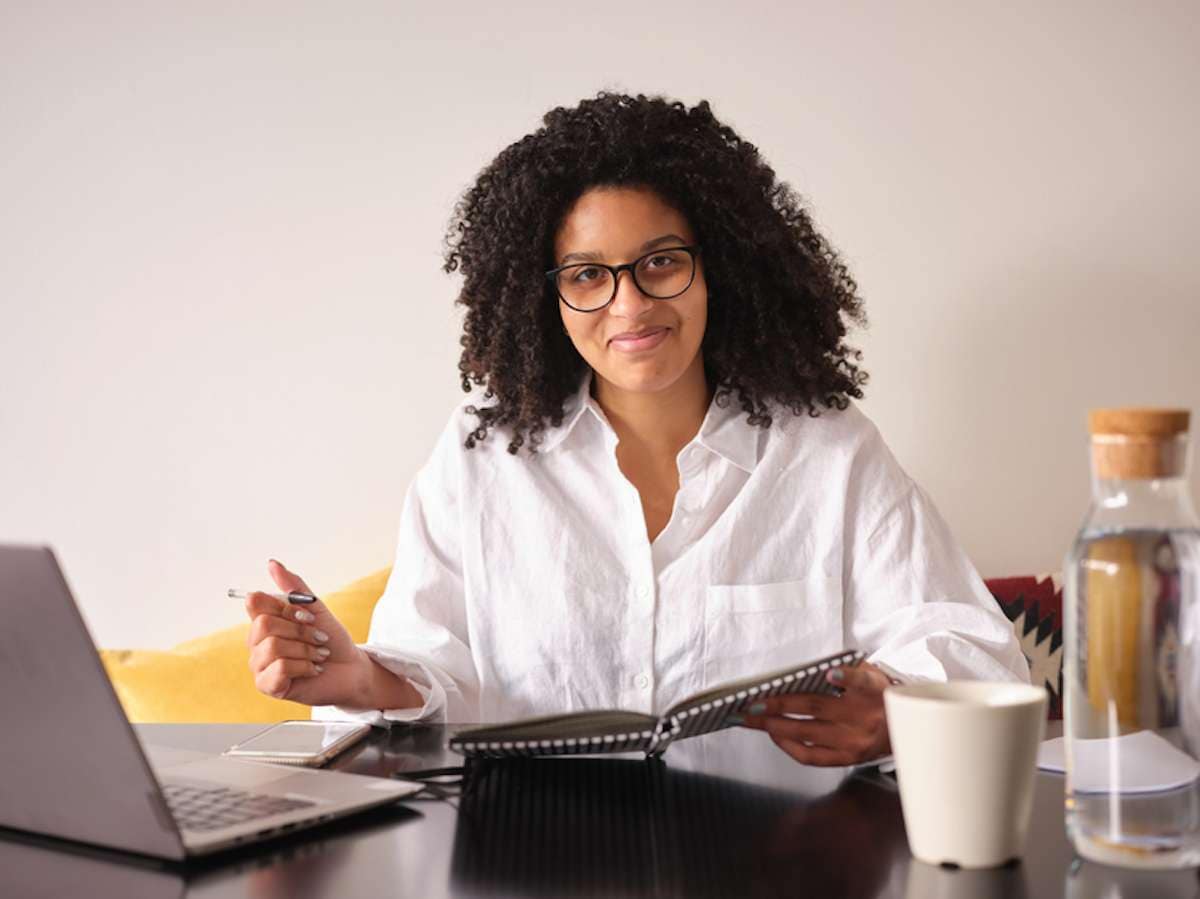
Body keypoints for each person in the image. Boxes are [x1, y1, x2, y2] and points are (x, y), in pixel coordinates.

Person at [242, 92, 1029, 767]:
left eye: (659, 262)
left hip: (778, 862)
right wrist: (356, 679)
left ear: (717, 263)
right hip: (538, 858)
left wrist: (895, 705)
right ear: (544, 296)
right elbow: (433, 673)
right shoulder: (480, 457)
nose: (629, 306)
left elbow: (974, 649)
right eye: (588, 274)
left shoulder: (827, 448)